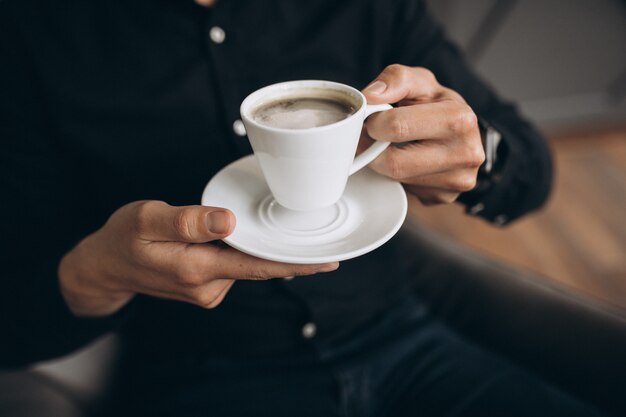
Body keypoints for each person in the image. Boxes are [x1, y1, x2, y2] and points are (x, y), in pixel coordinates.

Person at [0, 0, 605, 416]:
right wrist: (94, 272)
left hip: (405, 342)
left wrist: (481, 152)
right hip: (200, 376)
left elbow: (534, 171)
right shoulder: (32, 29)